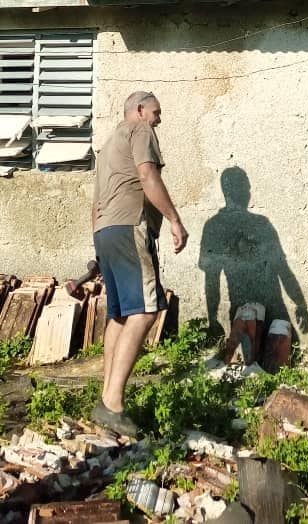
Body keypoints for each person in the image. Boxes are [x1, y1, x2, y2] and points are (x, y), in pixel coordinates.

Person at [91, 90, 188, 436]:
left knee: (119, 315)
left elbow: (98, 202)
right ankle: (113, 404)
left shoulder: (107, 146)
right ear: (140, 110)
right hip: (130, 226)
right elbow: (148, 176)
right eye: (157, 112)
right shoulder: (140, 130)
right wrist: (174, 220)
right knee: (146, 310)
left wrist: (99, 243)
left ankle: (106, 397)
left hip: (106, 232)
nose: (159, 119)